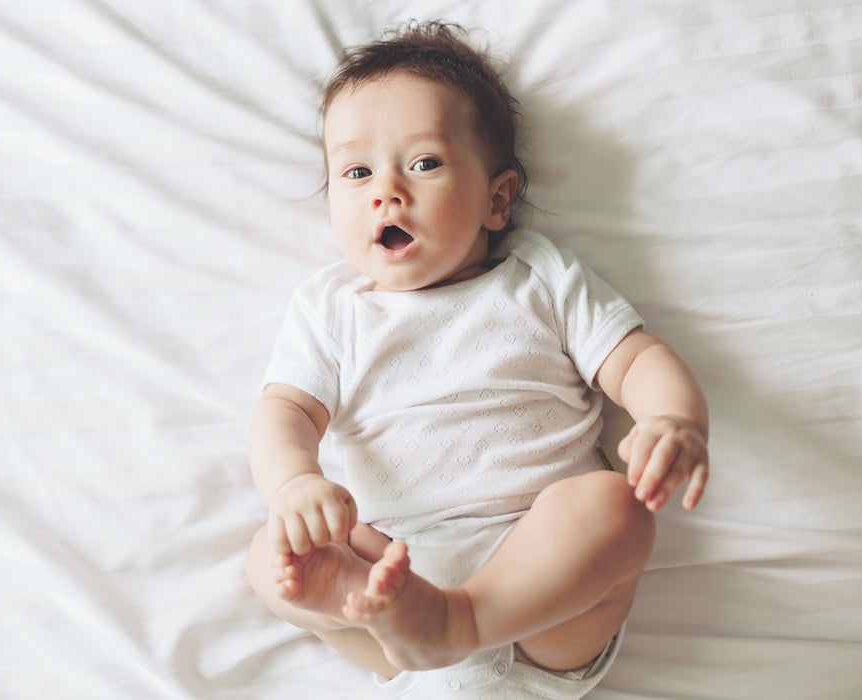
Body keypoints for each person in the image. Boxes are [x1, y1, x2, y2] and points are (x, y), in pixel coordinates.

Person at [245, 21, 709, 698]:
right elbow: (283, 410)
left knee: (616, 506)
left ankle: (460, 622)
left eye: (424, 162)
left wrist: (675, 419)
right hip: (395, 581)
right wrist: (292, 487)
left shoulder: (540, 279)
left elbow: (636, 359)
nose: (387, 192)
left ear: (498, 199)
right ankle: (380, 607)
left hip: (541, 606)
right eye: (356, 171)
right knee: (271, 555)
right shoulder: (331, 308)